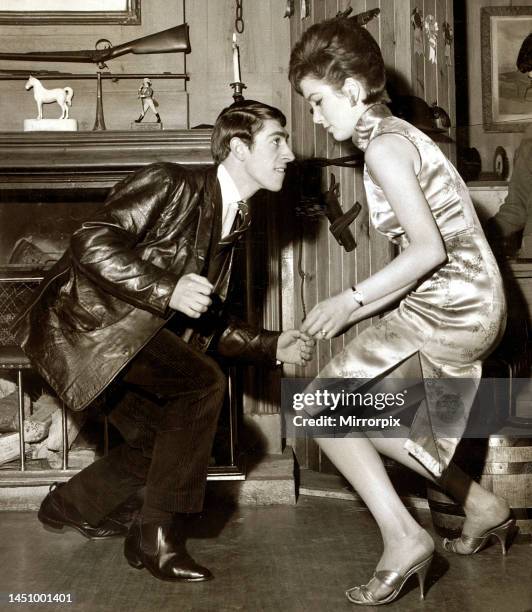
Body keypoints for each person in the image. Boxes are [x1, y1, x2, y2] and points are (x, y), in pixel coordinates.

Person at [13, 100, 314, 583]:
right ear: (238, 147)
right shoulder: (173, 182)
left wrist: (270, 345)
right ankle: (157, 538)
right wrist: (166, 287)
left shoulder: (236, 219)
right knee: (200, 386)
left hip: (135, 337)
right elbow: (90, 241)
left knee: (159, 442)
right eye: (277, 140)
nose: (290, 154)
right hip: (89, 331)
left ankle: (67, 505)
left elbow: (206, 320)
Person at [289, 18, 512, 605]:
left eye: (317, 100)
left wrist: (350, 298)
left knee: (318, 407)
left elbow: (427, 252)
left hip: (456, 304)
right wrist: (351, 312)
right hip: (465, 300)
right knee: (373, 419)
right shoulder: (395, 136)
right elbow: (421, 261)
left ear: (353, 89)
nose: (315, 117)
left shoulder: (386, 148)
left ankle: (403, 536)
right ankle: (482, 505)